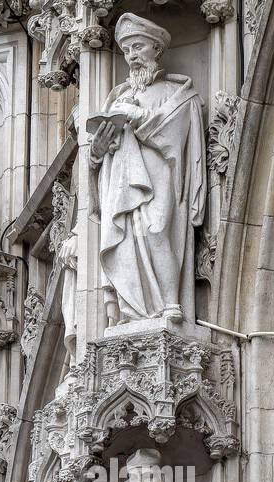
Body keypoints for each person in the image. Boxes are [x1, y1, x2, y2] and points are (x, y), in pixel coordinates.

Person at [88, 14, 206, 327]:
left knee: (157, 231)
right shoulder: (118, 98)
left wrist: (137, 118)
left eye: (138, 46)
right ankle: (134, 308)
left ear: (156, 48)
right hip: (123, 181)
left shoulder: (176, 93)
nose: (132, 56)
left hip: (160, 175)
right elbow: (101, 158)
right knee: (127, 237)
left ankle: (170, 303)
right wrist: (97, 153)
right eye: (126, 51)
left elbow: (175, 137)